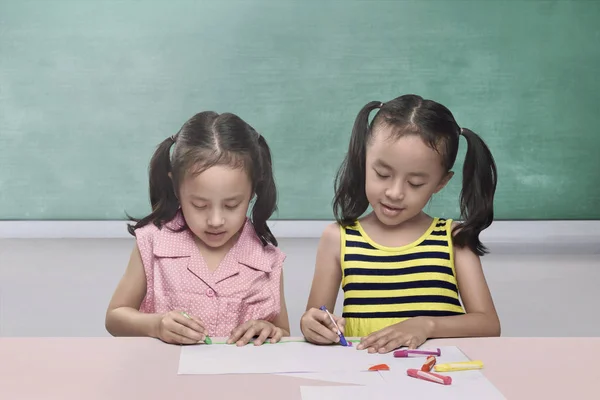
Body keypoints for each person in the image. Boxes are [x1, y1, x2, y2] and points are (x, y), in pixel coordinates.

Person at [301, 94, 500, 353]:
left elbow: (488, 324)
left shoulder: (453, 237)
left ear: (441, 182)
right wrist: (311, 324)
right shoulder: (338, 237)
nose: (395, 192)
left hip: (439, 378)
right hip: (367, 376)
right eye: (382, 174)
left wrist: (425, 326)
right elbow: (318, 318)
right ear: (364, 160)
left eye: (415, 183)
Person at [106, 111, 289, 346]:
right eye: (200, 205)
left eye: (231, 205)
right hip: (163, 378)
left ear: (253, 191)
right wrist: (157, 325)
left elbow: (283, 331)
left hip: (239, 381)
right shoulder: (153, 242)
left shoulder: (267, 260)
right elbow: (114, 317)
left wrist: (269, 329)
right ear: (176, 188)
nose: (215, 220)